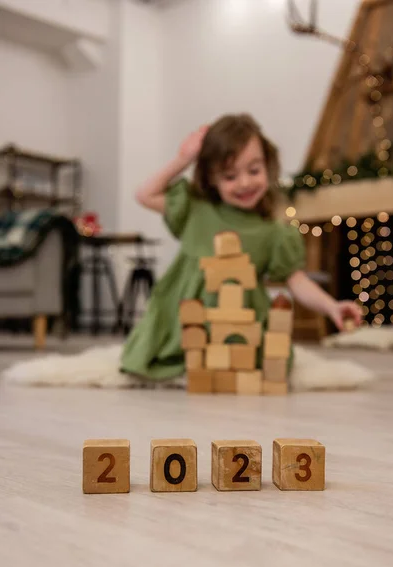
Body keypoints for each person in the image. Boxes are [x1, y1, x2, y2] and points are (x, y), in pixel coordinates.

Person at [121, 114, 361, 381]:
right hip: (187, 317)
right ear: (211, 179)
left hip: (240, 326)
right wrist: (184, 159)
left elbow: (297, 281)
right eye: (230, 176)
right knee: (170, 358)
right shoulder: (195, 208)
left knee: (253, 362)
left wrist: (331, 307)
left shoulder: (273, 231)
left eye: (254, 171)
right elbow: (145, 195)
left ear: (268, 168)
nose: (245, 183)